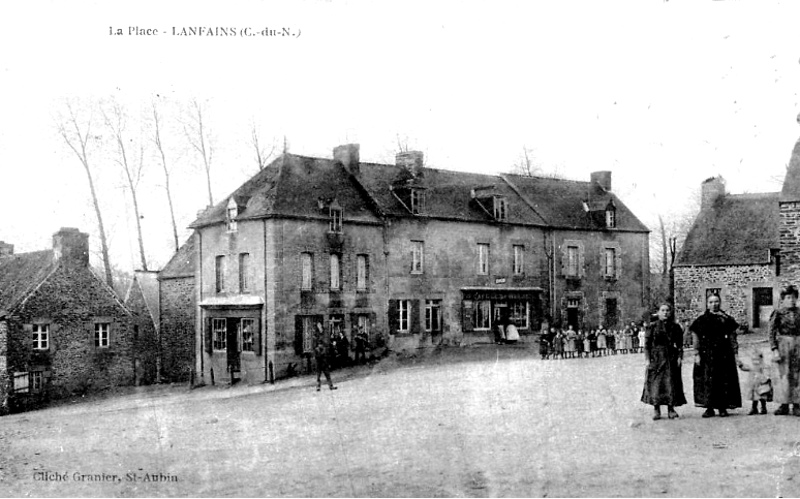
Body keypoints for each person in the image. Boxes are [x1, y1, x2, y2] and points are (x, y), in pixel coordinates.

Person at [690, 294, 742, 417]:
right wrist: (696, 353)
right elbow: (695, 337)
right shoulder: (701, 320)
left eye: (717, 301)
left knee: (723, 380)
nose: (714, 304)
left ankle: (722, 407)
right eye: (711, 302)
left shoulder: (726, 319)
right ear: (707, 304)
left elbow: (732, 338)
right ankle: (709, 407)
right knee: (707, 380)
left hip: (724, 354)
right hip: (706, 355)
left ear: (720, 303)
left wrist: (735, 353)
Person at [641, 303, 686, 420]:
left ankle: (671, 409)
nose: (665, 312)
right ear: (659, 312)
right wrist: (647, 359)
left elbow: (680, 345)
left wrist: (680, 357)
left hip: (671, 357)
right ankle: (656, 410)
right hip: (656, 358)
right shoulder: (652, 326)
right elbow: (647, 345)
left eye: (667, 310)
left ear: (670, 313)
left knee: (671, 383)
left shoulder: (675, 327)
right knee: (656, 384)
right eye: (663, 310)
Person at [769, 285, 800, 416]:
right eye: (788, 297)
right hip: (783, 345)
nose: (791, 300)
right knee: (784, 375)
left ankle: (797, 404)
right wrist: (774, 349)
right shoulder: (778, 313)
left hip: (798, 344)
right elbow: (771, 332)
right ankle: (784, 404)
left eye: (793, 297)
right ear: (783, 299)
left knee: (797, 375)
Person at [738, 349, 772, 415]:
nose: (755, 361)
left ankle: (763, 407)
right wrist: (741, 365)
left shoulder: (763, 366)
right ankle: (754, 408)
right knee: (754, 398)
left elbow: (767, 373)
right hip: (753, 385)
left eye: (757, 359)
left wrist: (766, 378)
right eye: (753, 359)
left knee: (762, 397)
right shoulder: (751, 366)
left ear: (761, 359)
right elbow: (745, 368)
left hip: (761, 384)